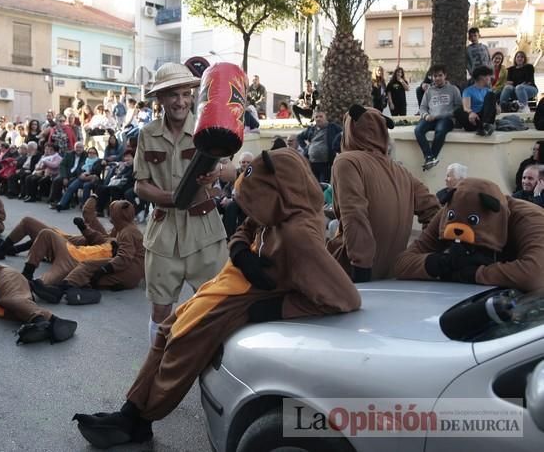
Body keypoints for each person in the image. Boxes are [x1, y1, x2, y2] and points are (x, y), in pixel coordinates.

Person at [72, 148, 362, 449]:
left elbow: (344, 297)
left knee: (180, 348)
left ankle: (142, 420)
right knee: (166, 330)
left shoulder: (299, 234)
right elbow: (248, 226)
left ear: (279, 190)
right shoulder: (282, 207)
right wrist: (239, 250)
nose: (247, 209)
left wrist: (271, 308)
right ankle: (130, 410)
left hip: (240, 299)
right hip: (227, 283)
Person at [132, 63, 231, 345]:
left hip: (205, 232)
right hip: (164, 233)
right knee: (161, 309)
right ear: (160, 99)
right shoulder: (147, 134)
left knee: (214, 306)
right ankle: (158, 364)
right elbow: (140, 184)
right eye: (173, 95)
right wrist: (170, 198)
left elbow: (232, 170)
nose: (180, 101)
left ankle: (211, 366)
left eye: (186, 94)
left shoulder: (208, 128)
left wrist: (219, 173)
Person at [327, 105, 440, 282]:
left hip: (351, 273)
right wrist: (419, 254)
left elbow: (354, 215)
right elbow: (435, 212)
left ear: (350, 129)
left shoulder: (346, 162)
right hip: (392, 275)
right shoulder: (401, 171)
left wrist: (361, 268)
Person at [394, 178, 544, 293]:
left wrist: (475, 273)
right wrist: (443, 263)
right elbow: (402, 263)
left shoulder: (530, 219)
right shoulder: (450, 212)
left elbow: (535, 274)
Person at [30, 198, 145, 304]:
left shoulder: (128, 232)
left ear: (118, 215)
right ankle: (67, 286)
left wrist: (104, 269)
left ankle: (61, 289)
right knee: (90, 272)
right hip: (128, 269)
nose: (110, 219)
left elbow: (124, 258)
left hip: (129, 270)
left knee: (88, 268)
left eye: (112, 213)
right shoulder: (123, 229)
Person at [414, 64, 462, 171]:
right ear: (432, 77)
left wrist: (446, 114)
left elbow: (459, 106)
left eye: (440, 75)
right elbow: (422, 107)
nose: (437, 78)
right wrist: (426, 116)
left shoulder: (453, 89)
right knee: (418, 130)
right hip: (430, 119)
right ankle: (429, 157)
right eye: (435, 76)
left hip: (446, 119)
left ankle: (432, 157)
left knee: (440, 131)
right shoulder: (429, 91)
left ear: (445, 75)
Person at [296, 111, 342, 183]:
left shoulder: (333, 127)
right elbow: (299, 137)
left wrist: (338, 149)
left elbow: (342, 135)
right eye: (316, 117)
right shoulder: (311, 129)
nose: (318, 119)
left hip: (326, 164)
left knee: (324, 185)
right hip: (312, 163)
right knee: (314, 184)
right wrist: (305, 148)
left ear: (325, 118)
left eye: (321, 117)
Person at [453, 65, 496, 136]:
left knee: (491, 94)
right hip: (473, 120)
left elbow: (495, 109)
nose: (490, 78)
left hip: (484, 118)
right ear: (482, 77)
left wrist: (497, 108)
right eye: (488, 76)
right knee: (458, 111)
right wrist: (471, 113)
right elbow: (466, 107)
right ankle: (482, 127)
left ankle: (486, 126)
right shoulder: (468, 91)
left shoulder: (488, 91)